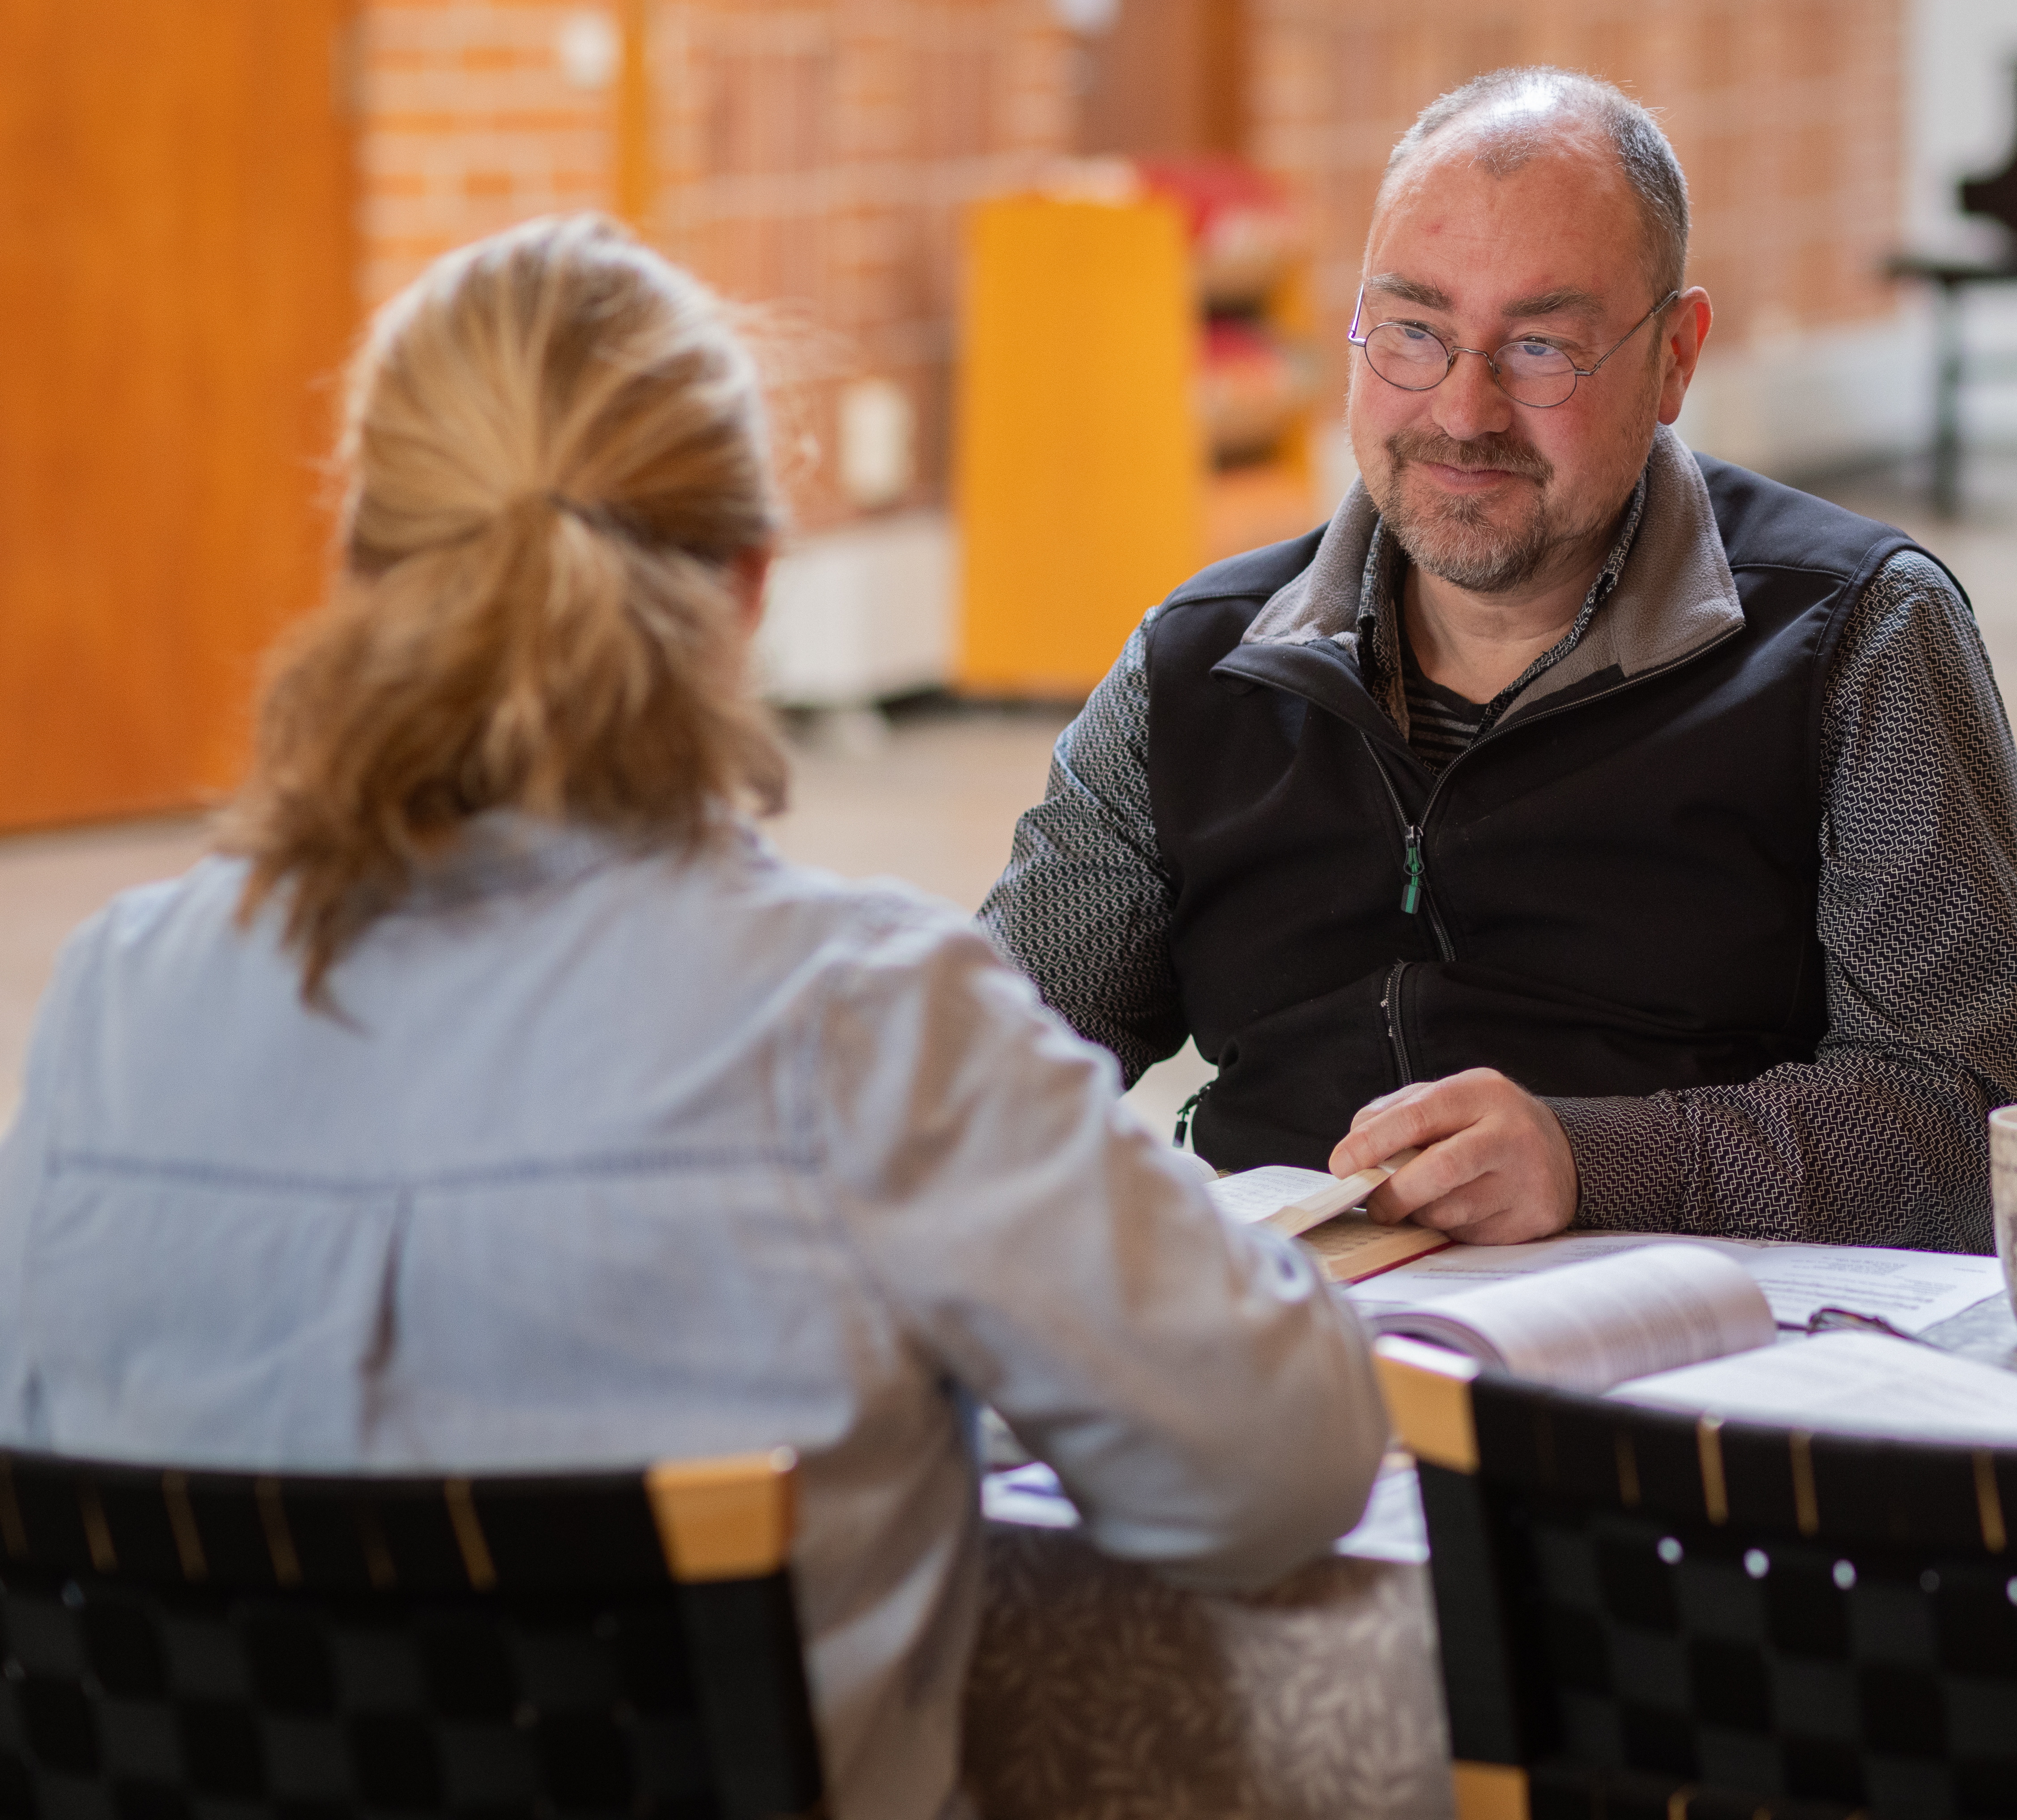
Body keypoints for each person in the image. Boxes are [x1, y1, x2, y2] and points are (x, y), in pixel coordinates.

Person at [0, 218, 1390, 1818]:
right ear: (746, 589)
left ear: (366, 570)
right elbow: (1279, 1476)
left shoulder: (120, 998)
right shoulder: (867, 1024)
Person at [983, 67, 2017, 1253]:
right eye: (1415, 333)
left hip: (1683, 1376)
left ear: (1676, 358)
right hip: (1284, 1368)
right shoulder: (1202, 666)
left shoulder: (1852, 637)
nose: (1464, 411)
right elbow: (985, 1070)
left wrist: (1590, 1164)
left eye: (1540, 349)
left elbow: (1965, 1126)